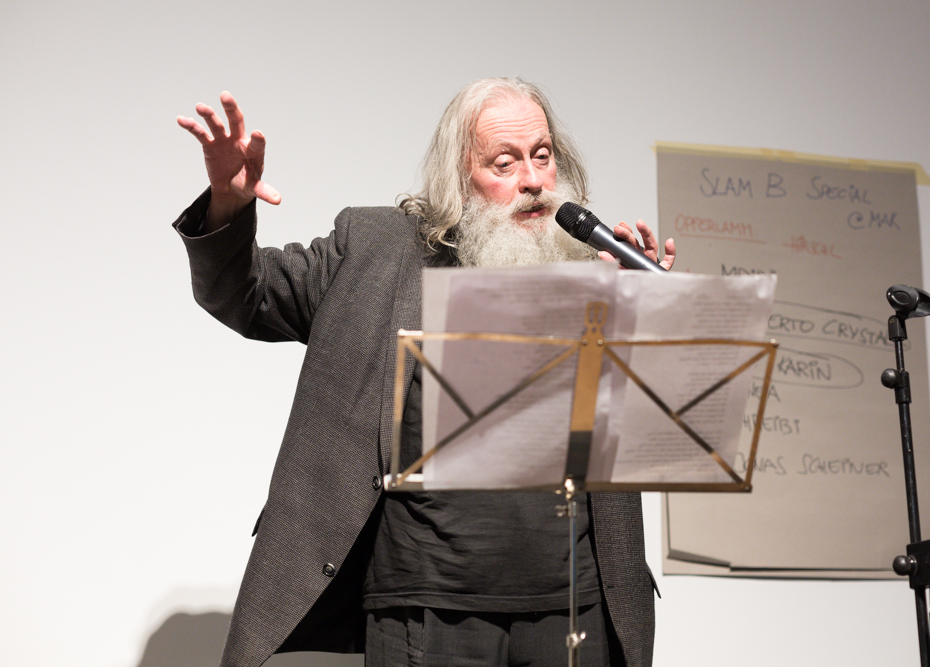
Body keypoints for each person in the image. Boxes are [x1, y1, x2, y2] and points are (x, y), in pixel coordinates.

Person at [174, 77, 675, 667]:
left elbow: (657, 427)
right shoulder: (376, 250)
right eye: (505, 163)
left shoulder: (596, 270)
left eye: (542, 156)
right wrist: (229, 203)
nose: (533, 180)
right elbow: (243, 293)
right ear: (458, 178)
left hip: (577, 606)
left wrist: (649, 320)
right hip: (427, 609)